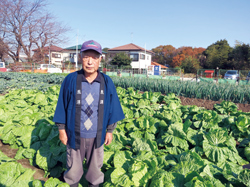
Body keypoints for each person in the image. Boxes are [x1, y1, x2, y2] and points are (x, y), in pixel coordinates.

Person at [53, 40, 125, 187]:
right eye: (86, 57)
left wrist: (110, 131)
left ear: (100, 59)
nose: (90, 62)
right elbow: (62, 105)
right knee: (73, 170)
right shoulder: (71, 80)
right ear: (81, 57)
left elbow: (113, 108)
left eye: (94, 57)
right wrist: (62, 130)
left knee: (95, 171)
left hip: (97, 135)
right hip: (75, 134)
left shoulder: (106, 82)